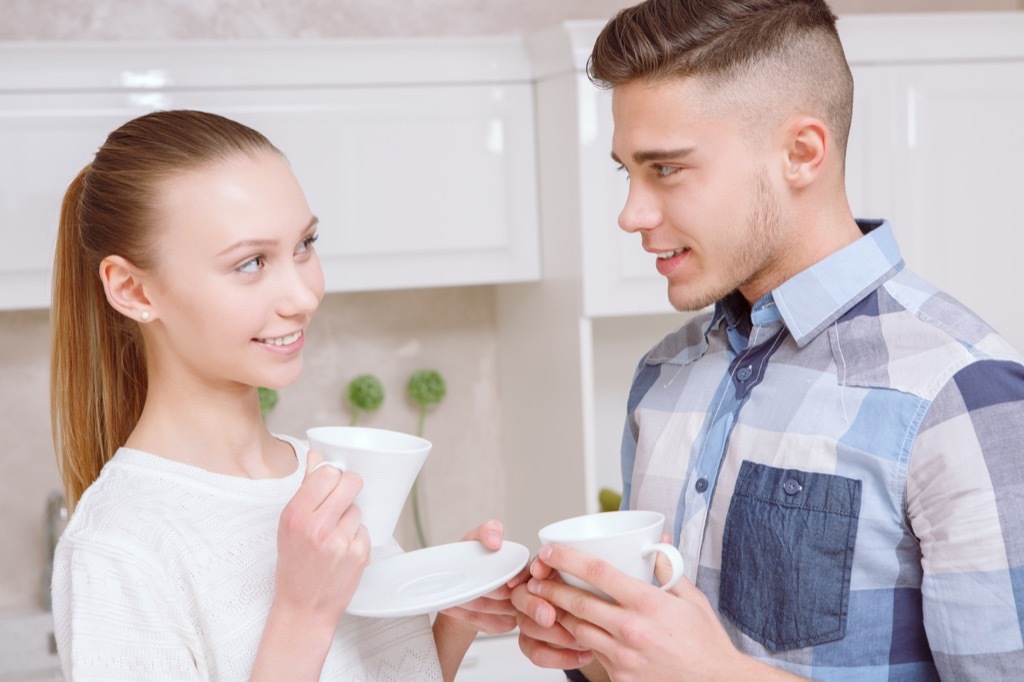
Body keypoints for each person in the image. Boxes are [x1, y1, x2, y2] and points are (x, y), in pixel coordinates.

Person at [511, 0, 1024, 680]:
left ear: (801, 154)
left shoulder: (958, 392)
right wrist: (594, 646)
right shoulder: (663, 377)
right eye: (625, 172)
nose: (631, 213)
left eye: (664, 168)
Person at [49, 109, 519, 681]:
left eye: (305, 244)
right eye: (250, 263)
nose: (302, 296)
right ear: (132, 289)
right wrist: (303, 613)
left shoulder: (322, 479)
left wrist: (452, 619)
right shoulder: (119, 545)